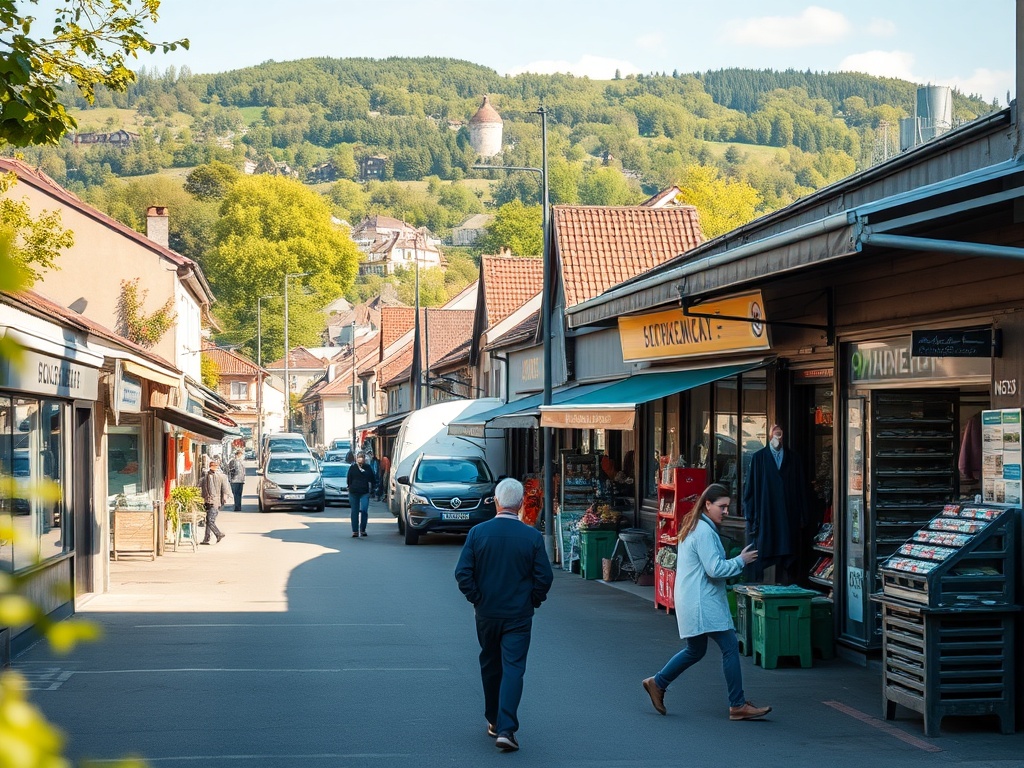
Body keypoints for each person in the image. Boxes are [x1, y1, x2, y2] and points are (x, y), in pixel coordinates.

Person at [642, 483, 770, 722]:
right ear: (708, 504)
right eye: (722, 507)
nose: (726, 512)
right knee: (730, 647)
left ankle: (658, 682)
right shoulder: (703, 531)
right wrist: (741, 560)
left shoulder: (697, 526)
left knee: (696, 650)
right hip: (702, 601)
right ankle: (738, 704)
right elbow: (715, 569)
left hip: (694, 599)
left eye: (728, 507)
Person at [454, 478, 554, 753]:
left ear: (496, 502)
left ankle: (494, 720)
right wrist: (533, 600)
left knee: (490, 663)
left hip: (486, 612)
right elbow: (544, 577)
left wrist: (476, 597)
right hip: (518, 614)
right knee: (513, 668)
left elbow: (462, 572)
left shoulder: (478, 533)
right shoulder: (531, 537)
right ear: (521, 504)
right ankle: (506, 728)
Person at [742, 425, 812, 582]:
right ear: (768, 437)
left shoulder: (793, 459)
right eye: (775, 435)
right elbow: (750, 491)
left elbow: (801, 488)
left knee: (788, 558)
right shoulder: (758, 458)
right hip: (766, 516)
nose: (777, 439)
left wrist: (803, 517)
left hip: (788, 517)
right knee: (763, 559)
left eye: (780, 435)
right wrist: (751, 518)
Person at [199, 459, 230, 545]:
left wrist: (224, 498)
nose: (214, 468)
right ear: (210, 466)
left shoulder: (221, 476)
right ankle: (206, 539)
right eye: (213, 466)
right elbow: (199, 486)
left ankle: (218, 534)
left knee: (210, 520)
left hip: (215, 502)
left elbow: (225, 489)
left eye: (215, 466)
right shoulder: (205, 476)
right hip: (207, 501)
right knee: (208, 520)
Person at [346, 450, 375, 538]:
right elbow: (349, 479)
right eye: (359, 457)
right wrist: (350, 487)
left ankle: (363, 530)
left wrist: (372, 490)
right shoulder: (352, 467)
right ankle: (355, 531)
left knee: (364, 510)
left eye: (362, 457)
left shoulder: (368, 468)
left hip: (364, 492)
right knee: (354, 512)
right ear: (356, 458)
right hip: (353, 492)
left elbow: (372, 479)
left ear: (364, 458)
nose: (360, 459)